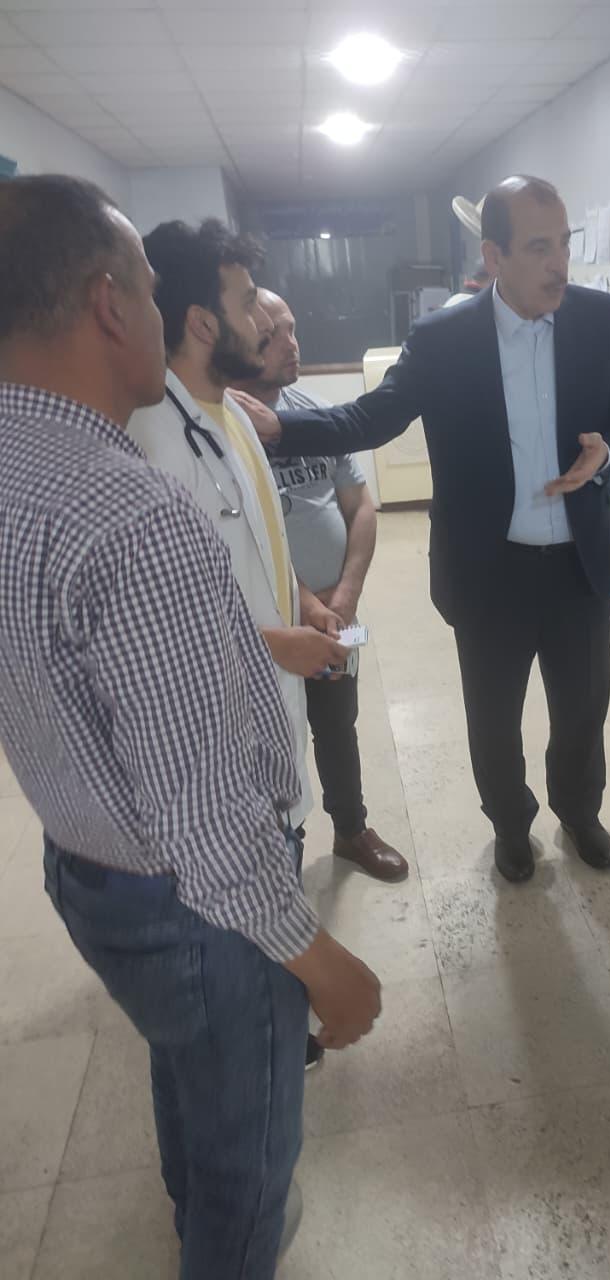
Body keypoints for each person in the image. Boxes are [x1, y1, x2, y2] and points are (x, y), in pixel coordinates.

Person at [0, 176, 380, 1278]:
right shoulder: (128, 507)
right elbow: (206, 813)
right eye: (147, 286)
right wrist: (319, 961)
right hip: (193, 909)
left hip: (86, 860)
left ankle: (191, 1206)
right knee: (247, 1171)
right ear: (109, 303)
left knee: (186, 1070)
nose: (162, 310)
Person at [233, 176, 610, 884]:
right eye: (540, 248)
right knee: (493, 719)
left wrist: (606, 453)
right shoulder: (445, 339)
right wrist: (282, 428)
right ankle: (511, 826)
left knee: (583, 711)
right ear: (494, 256)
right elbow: (370, 417)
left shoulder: (598, 318)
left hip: (579, 566)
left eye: (565, 245)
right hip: (489, 570)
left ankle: (580, 812)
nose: (560, 265)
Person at [127, 220, 354, 1075]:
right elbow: (150, 620)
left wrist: (305, 602)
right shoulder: (152, 442)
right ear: (200, 322)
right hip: (217, 736)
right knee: (238, 911)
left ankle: (278, 1015)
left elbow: (260, 543)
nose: (264, 320)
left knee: (276, 870)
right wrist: (273, 646)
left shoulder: (229, 418)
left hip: (270, 708)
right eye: (248, 302)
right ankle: (264, 1038)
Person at [233, 289, 408, 884]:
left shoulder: (312, 414)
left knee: (338, 722)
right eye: (274, 335)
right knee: (271, 733)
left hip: (337, 613)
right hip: (271, 619)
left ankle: (352, 830)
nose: (292, 344)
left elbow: (360, 506)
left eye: (293, 328)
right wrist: (305, 602)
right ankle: (279, 847)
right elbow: (249, 532)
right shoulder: (225, 429)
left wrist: (345, 597)